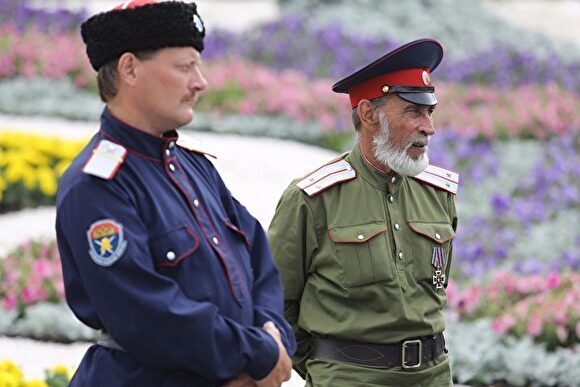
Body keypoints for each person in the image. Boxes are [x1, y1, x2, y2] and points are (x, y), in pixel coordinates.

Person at [55, 1, 295, 386]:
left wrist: (274, 337)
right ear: (129, 68)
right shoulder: (99, 183)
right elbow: (144, 310)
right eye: (185, 67)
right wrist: (256, 355)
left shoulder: (194, 167)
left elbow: (257, 258)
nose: (200, 82)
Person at [268, 39, 459, 386]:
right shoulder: (312, 199)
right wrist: (328, 370)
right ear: (369, 113)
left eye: (429, 112)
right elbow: (274, 302)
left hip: (434, 376)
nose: (428, 127)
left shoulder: (439, 194)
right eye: (413, 111)